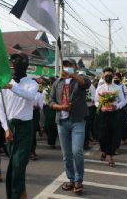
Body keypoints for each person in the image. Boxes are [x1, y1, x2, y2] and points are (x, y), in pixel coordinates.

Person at [0, 53, 38, 199]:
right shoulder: (5, 83)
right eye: (14, 64)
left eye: (20, 65)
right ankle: (22, 195)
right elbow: (0, 107)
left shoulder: (32, 83)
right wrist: (6, 128)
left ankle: (14, 196)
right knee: (14, 167)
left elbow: (30, 96)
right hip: (10, 128)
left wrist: (11, 87)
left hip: (25, 128)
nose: (16, 67)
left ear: (26, 67)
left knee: (19, 166)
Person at [49, 59, 91, 195]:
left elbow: (86, 83)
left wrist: (72, 75)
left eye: (69, 65)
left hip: (77, 121)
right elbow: (50, 101)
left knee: (77, 151)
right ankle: (71, 179)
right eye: (65, 65)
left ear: (75, 67)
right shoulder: (57, 83)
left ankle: (79, 180)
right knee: (66, 155)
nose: (66, 68)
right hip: (61, 122)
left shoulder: (80, 79)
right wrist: (60, 107)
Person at [95, 67, 126, 167]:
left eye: (110, 75)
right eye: (106, 75)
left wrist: (116, 106)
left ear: (112, 76)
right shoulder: (100, 88)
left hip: (114, 114)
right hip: (103, 114)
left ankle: (110, 157)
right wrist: (100, 106)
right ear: (103, 76)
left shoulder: (117, 88)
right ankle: (104, 151)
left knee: (113, 135)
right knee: (102, 135)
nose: (108, 77)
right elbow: (95, 101)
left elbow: (123, 100)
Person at [30, 84, 44, 160]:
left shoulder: (38, 95)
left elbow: (40, 107)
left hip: (34, 114)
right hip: (25, 113)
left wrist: (34, 106)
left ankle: (32, 151)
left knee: (32, 133)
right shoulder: (24, 92)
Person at [84, 73, 96, 150]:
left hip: (89, 108)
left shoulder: (91, 86)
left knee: (87, 125)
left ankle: (86, 142)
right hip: (79, 109)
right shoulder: (77, 84)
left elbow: (94, 97)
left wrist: (88, 99)